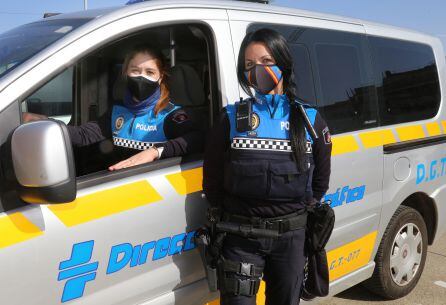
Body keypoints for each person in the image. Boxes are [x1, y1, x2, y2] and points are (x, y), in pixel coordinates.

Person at [202, 28, 332, 305]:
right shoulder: (230, 118)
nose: (256, 70)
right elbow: (211, 179)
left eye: (265, 61)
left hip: (291, 239)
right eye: (249, 65)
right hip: (240, 238)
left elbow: (320, 179)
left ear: (283, 63)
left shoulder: (310, 120)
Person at [23, 45, 203, 171]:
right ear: (125, 73)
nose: (141, 77)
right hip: (119, 188)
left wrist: (155, 152)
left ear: (161, 77)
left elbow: (198, 138)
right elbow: (83, 135)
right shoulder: (117, 113)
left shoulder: (171, 115)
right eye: (135, 70)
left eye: (149, 72)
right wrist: (46, 123)